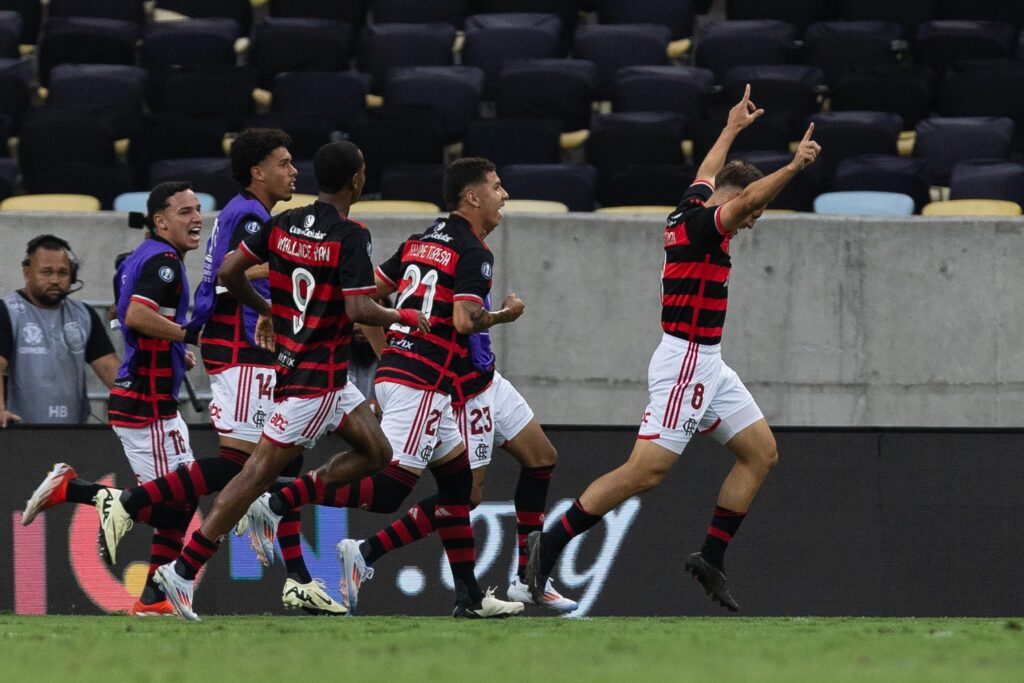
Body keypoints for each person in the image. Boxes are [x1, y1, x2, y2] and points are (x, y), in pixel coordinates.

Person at [525, 85, 822, 612]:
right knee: (646, 471)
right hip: (687, 360)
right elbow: (749, 198)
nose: (753, 221)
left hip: (707, 361)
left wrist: (731, 128)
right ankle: (551, 539)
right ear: (730, 203)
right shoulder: (707, 227)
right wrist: (795, 165)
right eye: (751, 213)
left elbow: (708, 173)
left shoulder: (690, 206)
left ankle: (711, 556)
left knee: (760, 453)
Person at [105, 141, 413, 622]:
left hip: (322, 375)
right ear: (357, 180)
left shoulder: (285, 224)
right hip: (311, 379)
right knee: (248, 471)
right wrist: (403, 316)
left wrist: (269, 308)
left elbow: (231, 271)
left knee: (379, 453)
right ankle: (182, 572)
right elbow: (358, 309)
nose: (289, 170)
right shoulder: (350, 233)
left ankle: (279, 505)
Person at [39, 129, 343, 615]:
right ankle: (119, 504)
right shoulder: (241, 221)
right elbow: (227, 273)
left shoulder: (237, 220)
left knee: (280, 463)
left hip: (238, 355)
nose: (293, 172)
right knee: (239, 467)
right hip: (234, 354)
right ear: (256, 171)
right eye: (283, 163)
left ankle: (281, 578)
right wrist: (273, 294)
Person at [244, 157, 527, 619]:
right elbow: (464, 320)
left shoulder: (421, 241)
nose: (504, 196)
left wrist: (276, 286)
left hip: (400, 371)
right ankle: (277, 498)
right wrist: (504, 315)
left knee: (458, 488)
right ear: (472, 198)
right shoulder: (475, 253)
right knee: (389, 492)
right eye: (497, 187)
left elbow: (369, 287)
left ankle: (470, 598)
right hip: (423, 383)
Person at [22, 183, 206, 617]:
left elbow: (140, 319)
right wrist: (185, 334)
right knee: (174, 502)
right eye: (184, 211)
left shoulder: (141, 256)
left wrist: (178, 347)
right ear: (160, 221)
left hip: (146, 394)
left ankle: (154, 598)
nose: (196, 217)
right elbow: (135, 315)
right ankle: (81, 491)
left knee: (180, 500)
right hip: (147, 400)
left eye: (198, 209)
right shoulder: (163, 262)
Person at [332, 306, 577, 613]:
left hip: (487, 379)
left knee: (541, 458)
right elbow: (372, 295)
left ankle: (527, 580)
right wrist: (391, 359)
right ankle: (366, 550)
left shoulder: (477, 257)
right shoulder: (445, 257)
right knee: (466, 496)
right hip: (459, 392)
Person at [0, 234, 119, 427]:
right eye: (46, 272)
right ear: (27, 273)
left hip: (73, 433)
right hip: (19, 434)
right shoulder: (6, 311)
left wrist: (142, 403)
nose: (55, 280)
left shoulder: (84, 314)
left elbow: (110, 369)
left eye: (62, 273)